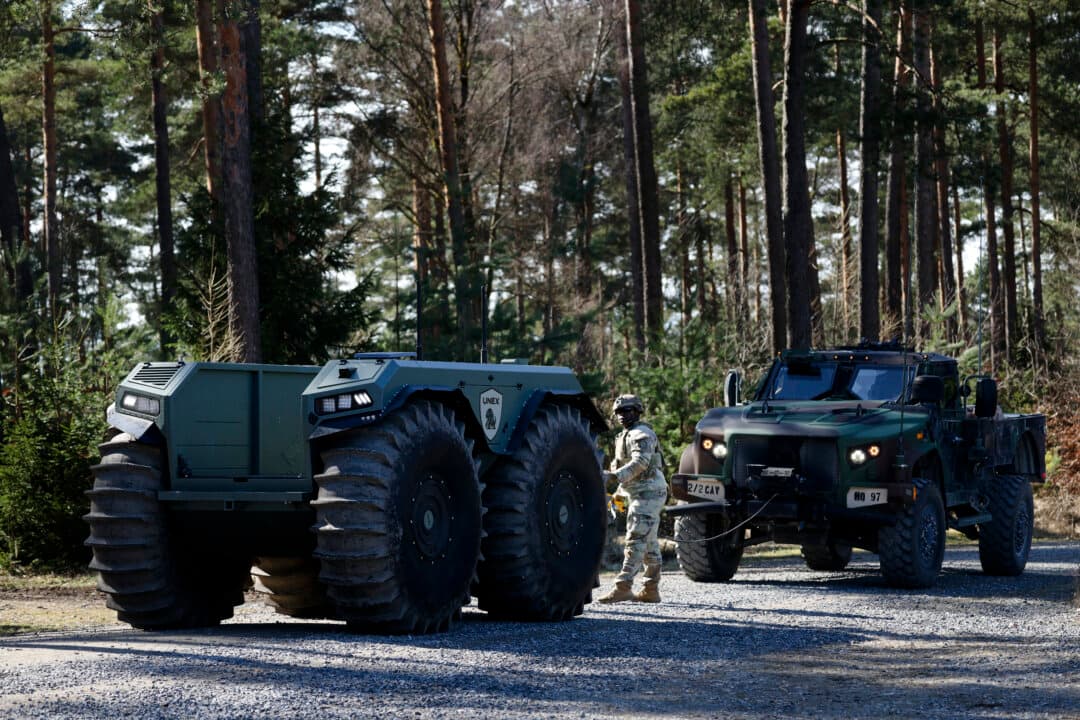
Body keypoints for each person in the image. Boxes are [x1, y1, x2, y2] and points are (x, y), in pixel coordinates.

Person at [598, 394, 668, 603]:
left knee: (636, 539)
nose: (622, 415)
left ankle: (623, 586)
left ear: (637, 411)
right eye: (618, 412)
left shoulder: (641, 434)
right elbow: (625, 472)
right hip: (637, 493)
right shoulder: (624, 435)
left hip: (649, 493)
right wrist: (616, 498)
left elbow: (641, 463)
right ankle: (650, 589)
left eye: (627, 410)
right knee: (649, 544)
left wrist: (613, 476)